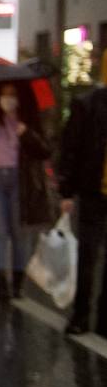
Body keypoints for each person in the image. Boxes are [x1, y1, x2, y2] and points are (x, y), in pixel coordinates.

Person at [0, 82, 52, 302]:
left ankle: (18, 281)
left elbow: (44, 150)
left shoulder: (28, 121)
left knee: (18, 232)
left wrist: (27, 134)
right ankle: (1, 283)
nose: (7, 99)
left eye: (12, 95)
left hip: (20, 181)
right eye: (3, 95)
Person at [57, 81, 107, 335]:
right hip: (92, 192)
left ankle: (104, 319)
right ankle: (81, 314)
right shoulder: (87, 104)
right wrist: (67, 190)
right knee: (88, 255)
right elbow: (71, 147)